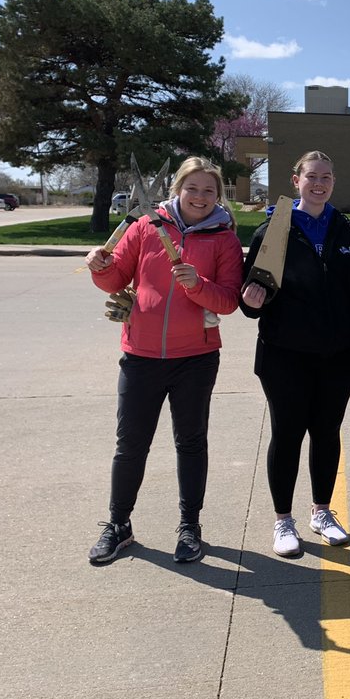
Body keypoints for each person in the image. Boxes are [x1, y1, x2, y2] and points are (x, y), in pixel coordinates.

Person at [85, 156, 243, 565]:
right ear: (178, 190)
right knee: (130, 444)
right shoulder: (146, 227)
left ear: (218, 196)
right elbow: (115, 277)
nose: (201, 197)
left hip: (196, 357)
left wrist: (198, 285)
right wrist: (98, 267)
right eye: (193, 188)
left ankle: (190, 527)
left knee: (190, 443)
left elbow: (227, 301)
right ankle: (119, 525)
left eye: (210, 191)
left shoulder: (223, 238)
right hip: (141, 355)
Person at [238, 151, 350, 558]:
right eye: (312, 177)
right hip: (285, 354)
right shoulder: (274, 230)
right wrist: (251, 300)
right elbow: (251, 301)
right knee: (287, 434)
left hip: (336, 355)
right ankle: (284, 520)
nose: (319, 184)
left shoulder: (348, 232)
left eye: (327, 178)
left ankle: (322, 511)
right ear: (295, 180)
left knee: (327, 432)